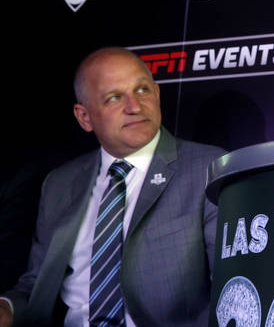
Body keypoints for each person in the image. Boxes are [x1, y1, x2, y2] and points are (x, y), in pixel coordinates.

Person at [0, 48, 223, 326]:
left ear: (157, 94)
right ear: (84, 117)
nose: (134, 106)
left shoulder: (209, 168)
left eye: (142, 90)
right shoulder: (60, 183)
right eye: (115, 98)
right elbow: (37, 284)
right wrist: (7, 308)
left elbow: (230, 289)